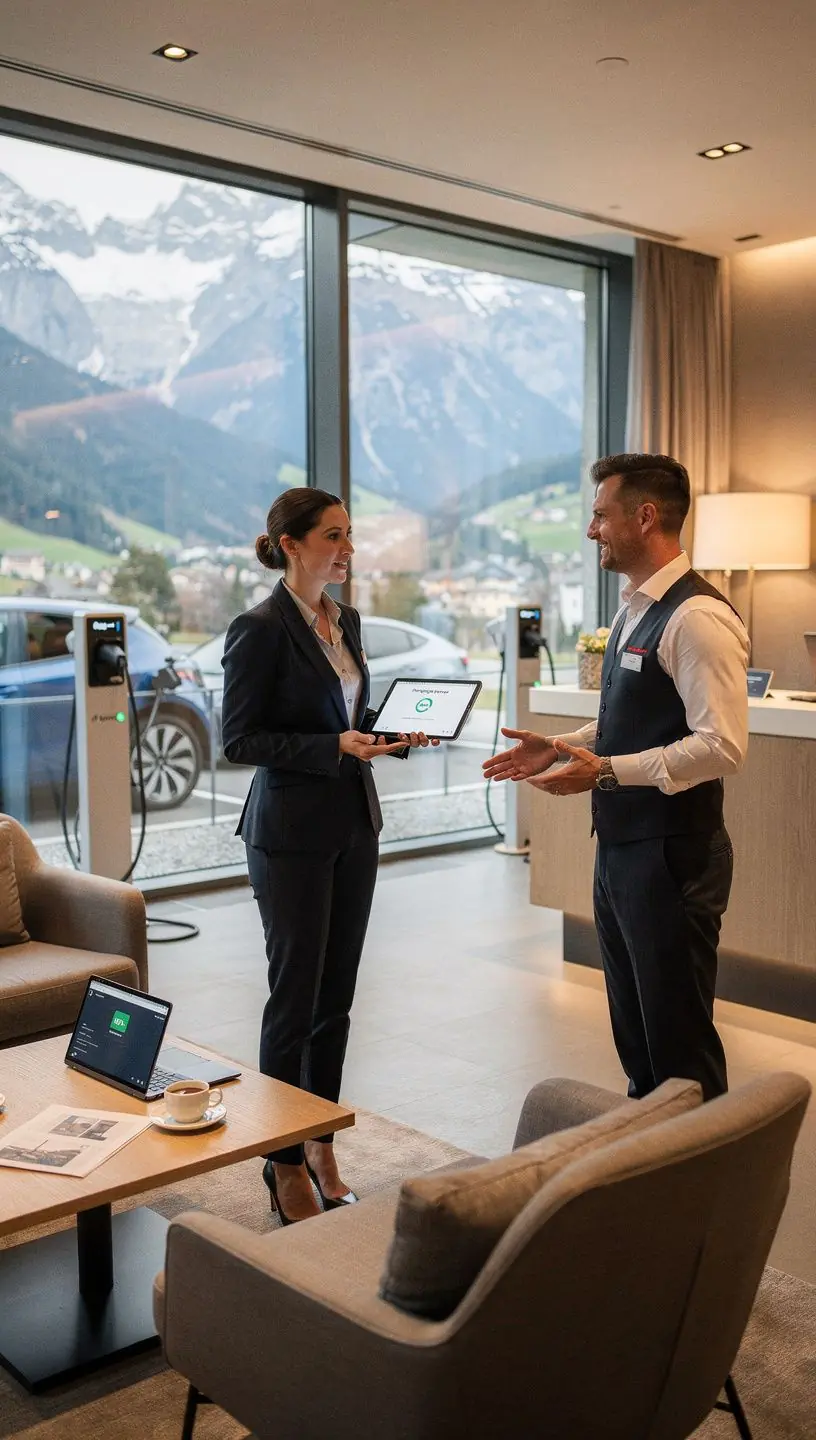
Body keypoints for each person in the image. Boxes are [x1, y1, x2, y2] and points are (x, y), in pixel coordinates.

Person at [484, 453, 749, 1102]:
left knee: (679, 1048)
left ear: (646, 516)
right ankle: (648, 1178)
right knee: (638, 1038)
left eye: (600, 515)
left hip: (673, 856)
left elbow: (720, 747)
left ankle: (706, 1191)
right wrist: (563, 745)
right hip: (625, 853)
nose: (590, 529)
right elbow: (633, 719)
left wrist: (605, 774)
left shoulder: (698, 618)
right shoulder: (636, 608)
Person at [221, 488, 437, 1223]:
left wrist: (391, 734)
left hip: (354, 824)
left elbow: (346, 718)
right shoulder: (258, 629)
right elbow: (239, 740)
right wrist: (330, 747)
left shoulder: (344, 620)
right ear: (290, 544)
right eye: (333, 536)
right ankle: (280, 1159)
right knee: (295, 1000)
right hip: (288, 836)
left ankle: (319, 1141)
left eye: (351, 535)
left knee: (335, 1002)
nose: (348, 549)